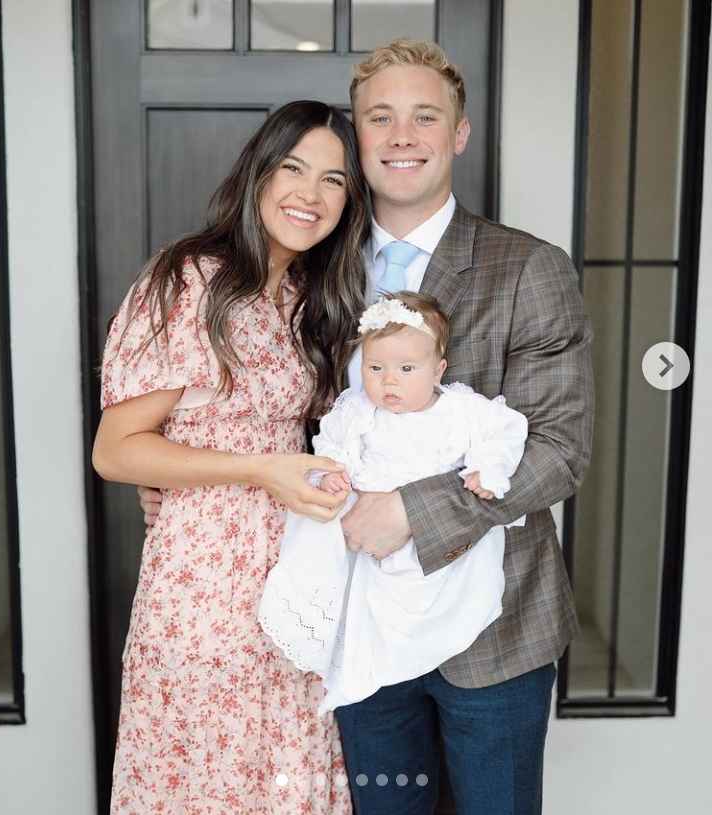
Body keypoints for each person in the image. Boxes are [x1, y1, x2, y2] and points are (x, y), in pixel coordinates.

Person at [140, 39, 594, 815]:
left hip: (495, 632)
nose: (403, 135)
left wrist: (412, 512)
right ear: (358, 135)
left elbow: (558, 449)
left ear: (459, 133)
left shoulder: (529, 266)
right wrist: (180, 477)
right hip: (355, 633)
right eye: (380, 118)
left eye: (426, 116)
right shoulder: (312, 262)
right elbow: (267, 407)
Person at [92, 100, 371, 814]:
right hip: (202, 589)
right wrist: (256, 470)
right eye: (293, 168)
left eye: (334, 180)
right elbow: (117, 450)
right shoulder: (187, 279)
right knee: (206, 786)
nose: (310, 194)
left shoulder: (312, 295)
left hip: (292, 581)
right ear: (256, 174)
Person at [258, 291, 528, 714]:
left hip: (439, 540)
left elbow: (507, 431)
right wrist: (333, 472)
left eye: (406, 369)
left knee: (442, 592)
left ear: (438, 369)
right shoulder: (358, 409)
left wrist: (487, 469)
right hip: (366, 539)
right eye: (375, 367)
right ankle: (355, 672)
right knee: (358, 595)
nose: (389, 381)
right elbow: (332, 445)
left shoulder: (461, 410)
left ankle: (404, 650)